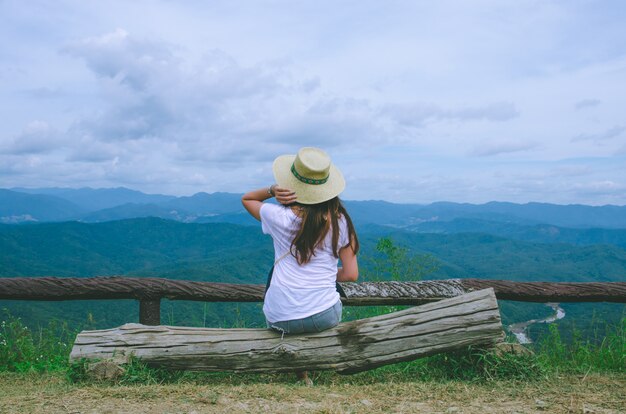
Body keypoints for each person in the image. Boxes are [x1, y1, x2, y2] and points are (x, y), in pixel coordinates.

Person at [241, 147, 359, 376]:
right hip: (324, 315)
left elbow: (247, 199)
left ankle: (302, 374)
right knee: (318, 305)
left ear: (292, 185)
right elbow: (351, 274)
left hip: (280, 317)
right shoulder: (342, 222)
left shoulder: (279, 217)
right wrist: (324, 274)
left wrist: (271, 190)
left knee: (274, 274)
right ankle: (312, 364)